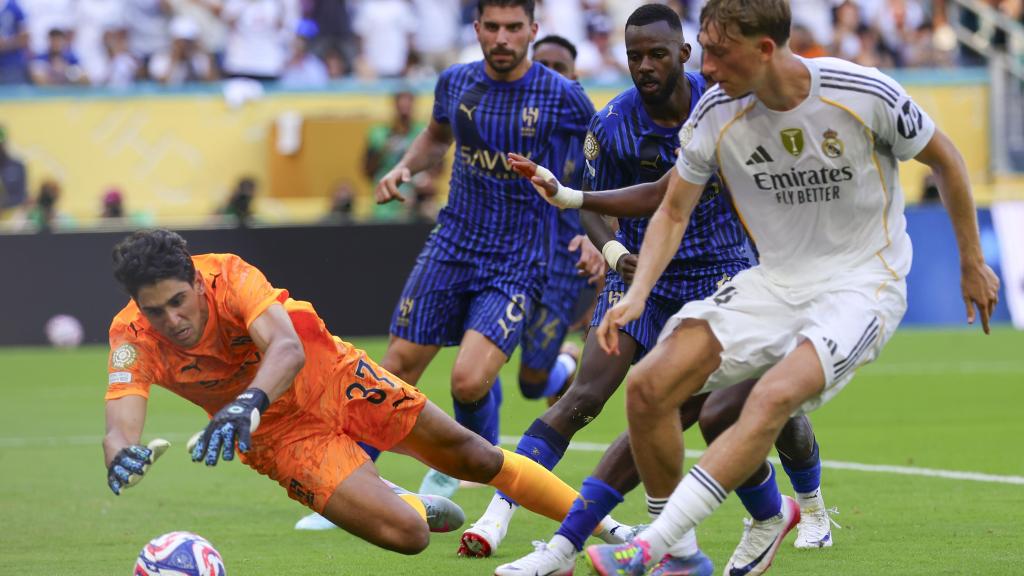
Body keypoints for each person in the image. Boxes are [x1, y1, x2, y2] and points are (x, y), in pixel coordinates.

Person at [567, 1, 999, 574]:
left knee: (770, 399)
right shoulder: (715, 109)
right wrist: (639, 292)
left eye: (718, 53)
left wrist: (972, 260)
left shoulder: (861, 91)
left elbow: (946, 160)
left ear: (764, 49)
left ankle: (655, 544)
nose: (706, 68)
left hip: (861, 284)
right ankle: (689, 557)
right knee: (648, 386)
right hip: (774, 281)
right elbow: (670, 208)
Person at [481, 7, 832, 574]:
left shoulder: (722, 105)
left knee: (744, 408)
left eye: (657, 55)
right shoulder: (611, 125)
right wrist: (613, 253)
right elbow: (601, 208)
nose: (644, 66)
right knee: (585, 396)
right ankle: (498, 515)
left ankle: (804, 505)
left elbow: (674, 193)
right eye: (634, 56)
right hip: (641, 277)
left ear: (684, 55)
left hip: (722, 276)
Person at [102, 228, 622, 555]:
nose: (172, 320)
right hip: (280, 438)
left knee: (478, 458)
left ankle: (610, 531)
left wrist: (245, 404)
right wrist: (122, 455)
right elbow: (119, 426)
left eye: (178, 301)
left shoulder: (229, 275)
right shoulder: (132, 337)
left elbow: (286, 348)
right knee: (410, 537)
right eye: (155, 310)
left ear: (196, 282)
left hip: (335, 377)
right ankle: (400, 500)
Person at [373, 0, 600, 507]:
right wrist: (405, 167)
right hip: (452, 243)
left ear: (532, 29)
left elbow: (602, 163)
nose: (501, 37)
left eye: (513, 27)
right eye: (492, 27)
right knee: (395, 366)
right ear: (476, 28)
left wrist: (597, 234)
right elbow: (436, 136)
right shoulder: (455, 81)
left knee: (471, 381)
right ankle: (351, 477)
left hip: (518, 258)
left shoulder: (563, 95)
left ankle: (474, 466)